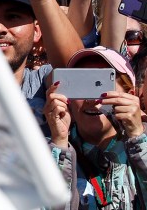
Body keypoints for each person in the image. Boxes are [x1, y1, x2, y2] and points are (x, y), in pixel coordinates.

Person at [45, 47, 147, 209]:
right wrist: (59, 143)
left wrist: (137, 137)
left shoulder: (144, 144)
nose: (92, 99)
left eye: (101, 86)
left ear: (130, 95)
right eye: (81, 86)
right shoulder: (45, 151)